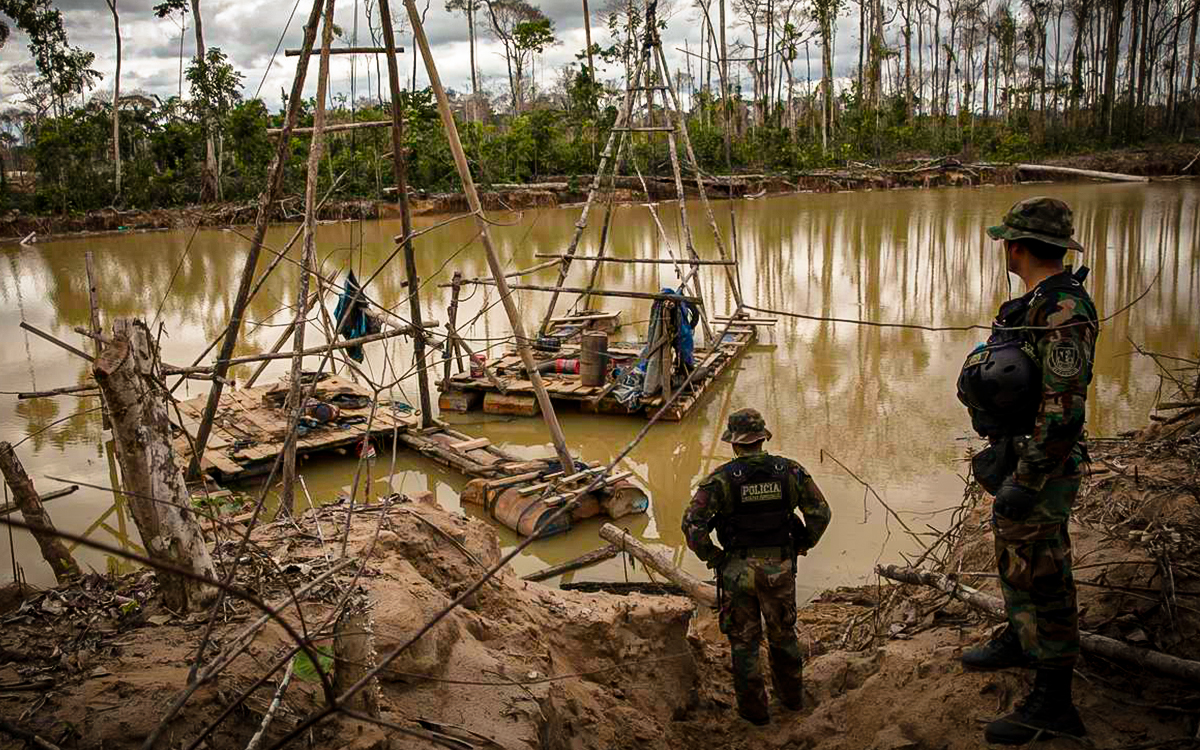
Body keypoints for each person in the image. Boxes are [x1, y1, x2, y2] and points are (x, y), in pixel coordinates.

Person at [956, 197, 1099, 744]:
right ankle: (1022, 636)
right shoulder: (1035, 302)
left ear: (1016, 247)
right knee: (1017, 559)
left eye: (1005, 242)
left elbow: (1065, 409)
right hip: (1019, 455)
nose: (1003, 249)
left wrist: (1029, 477)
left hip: (1042, 467)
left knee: (1046, 575)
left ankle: (1054, 700)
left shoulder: (1063, 309)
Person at [681, 408, 832, 726]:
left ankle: (755, 714)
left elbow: (692, 525)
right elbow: (821, 512)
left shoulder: (720, 480)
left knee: (744, 643)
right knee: (783, 636)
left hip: (737, 571)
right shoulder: (790, 471)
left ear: (734, 444)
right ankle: (792, 702)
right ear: (763, 438)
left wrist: (716, 558)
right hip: (778, 567)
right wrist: (802, 544)